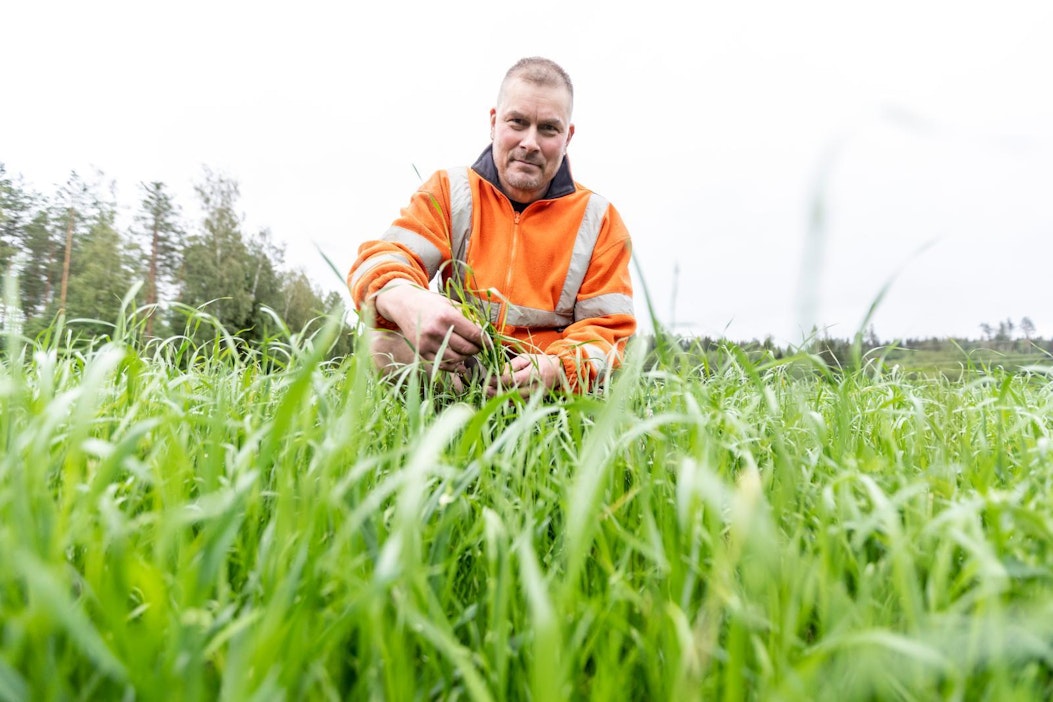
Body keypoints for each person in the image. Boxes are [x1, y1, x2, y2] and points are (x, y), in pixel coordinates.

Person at [347, 57, 635, 397]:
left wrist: (559, 368)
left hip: (550, 390)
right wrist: (408, 300)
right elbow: (384, 258)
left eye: (548, 129)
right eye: (518, 122)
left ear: (567, 136)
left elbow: (610, 332)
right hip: (462, 369)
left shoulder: (598, 218)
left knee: (601, 386)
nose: (530, 142)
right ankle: (445, 431)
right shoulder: (449, 191)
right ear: (494, 122)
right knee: (384, 342)